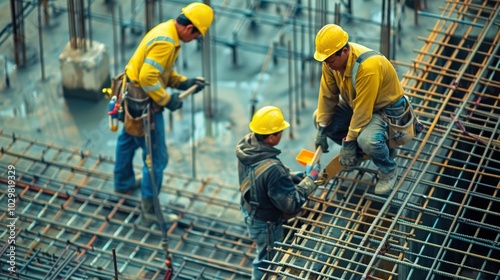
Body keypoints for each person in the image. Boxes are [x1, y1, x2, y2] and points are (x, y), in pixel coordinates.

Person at [113, 2, 214, 226]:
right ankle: (149, 212)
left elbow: (161, 72)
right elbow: (149, 77)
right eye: (197, 36)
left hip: (131, 94)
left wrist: (183, 83)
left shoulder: (166, 31)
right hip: (144, 102)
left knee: (128, 138)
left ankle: (123, 182)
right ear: (190, 29)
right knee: (157, 159)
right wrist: (167, 100)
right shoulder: (167, 42)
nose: (195, 40)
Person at [313, 24, 410, 195]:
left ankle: (388, 168)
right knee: (319, 117)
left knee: (368, 140)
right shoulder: (330, 63)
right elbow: (327, 96)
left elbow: (363, 112)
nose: (328, 65)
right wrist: (322, 128)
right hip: (358, 105)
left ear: (344, 51)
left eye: (331, 61)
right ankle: (359, 154)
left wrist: (349, 142)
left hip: (386, 111)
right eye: (325, 61)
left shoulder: (367, 68)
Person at [236, 106, 321, 280]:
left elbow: (261, 175)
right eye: (280, 131)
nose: (282, 134)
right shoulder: (273, 169)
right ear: (272, 136)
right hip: (265, 223)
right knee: (267, 260)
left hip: (250, 209)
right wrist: (310, 180)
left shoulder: (247, 146)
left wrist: (292, 176)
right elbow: (291, 203)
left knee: (264, 253)